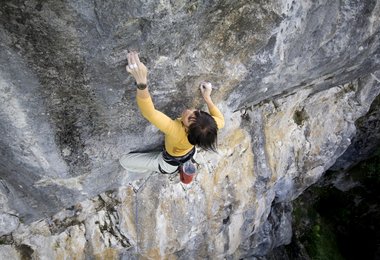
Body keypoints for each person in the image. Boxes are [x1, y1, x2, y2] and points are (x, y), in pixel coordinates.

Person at [119, 51, 224, 182]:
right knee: (187, 151)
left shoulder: (175, 131)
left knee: (124, 161)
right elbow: (221, 121)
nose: (188, 111)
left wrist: (141, 82)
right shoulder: (208, 127)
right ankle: (185, 164)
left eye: (188, 118)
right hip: (189, 151)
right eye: (196, 112)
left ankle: (164, 167)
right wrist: (207, 98)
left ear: (186, 130)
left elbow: (149, 112)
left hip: (168, 164)